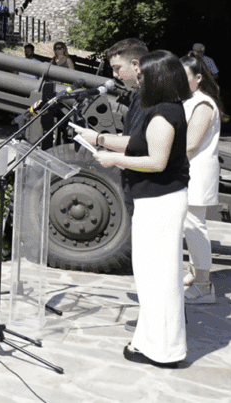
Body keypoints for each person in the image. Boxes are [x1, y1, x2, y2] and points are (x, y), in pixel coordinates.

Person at [82, 51, 191, 368]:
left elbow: (156, 162)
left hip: (161, 201)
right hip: (153, 200)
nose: (138, 79)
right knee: (148, 276)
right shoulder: (158, 109)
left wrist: (113, 159)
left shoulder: (163, 114)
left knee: (161, 277)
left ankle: (167, 351)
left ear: (158, 78)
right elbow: (137, 144)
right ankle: (148, 341)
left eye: (143, 75)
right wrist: (102, 140)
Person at [179, 53, 223, 305]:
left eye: (184, 76)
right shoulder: (191, 100)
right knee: (190, 227)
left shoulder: (203, 103)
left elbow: (190, 143)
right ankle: (196, 274)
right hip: (190, 170)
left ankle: (204, 286)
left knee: (194, 228)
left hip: (197, 172)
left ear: (198, 78)